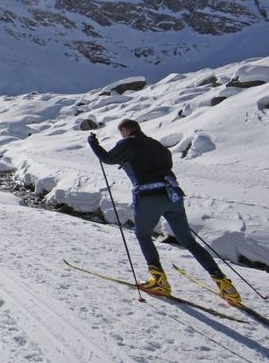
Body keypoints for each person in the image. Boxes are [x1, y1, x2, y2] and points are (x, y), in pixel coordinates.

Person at [88, 119, 242, 305]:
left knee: (143, 234)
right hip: (173, 196)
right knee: (189, 242)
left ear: (126, 130)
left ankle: (159, 281)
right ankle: (225, 285)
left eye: (122, 132)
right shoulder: (157, 145)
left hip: (149, 197)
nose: (122, 136)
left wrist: (93, 143)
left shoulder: (128, 143)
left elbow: (107, 158)